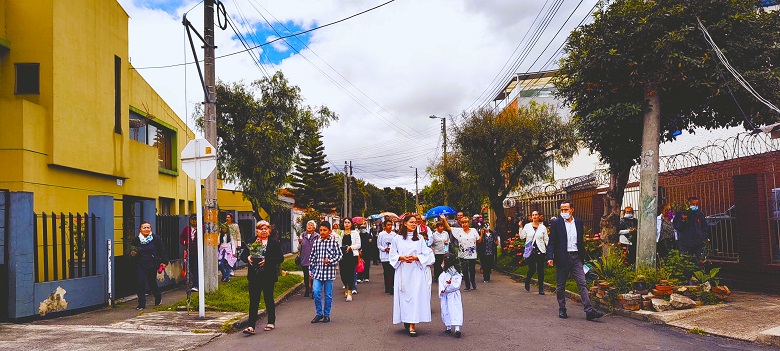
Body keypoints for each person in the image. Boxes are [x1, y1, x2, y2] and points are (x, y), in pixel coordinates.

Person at [547, 200, 604, 321]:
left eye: (566, 209)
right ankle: (562, 309)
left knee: (582, 283)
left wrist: (583, 256)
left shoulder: (578, 222)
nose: (563, 212)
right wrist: (550, 257)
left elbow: (580, 240)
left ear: (572, 210)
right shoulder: (556, 223)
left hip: (576, 257)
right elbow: (551, 242)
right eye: (562, 210)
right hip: (563, 257)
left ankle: (589, 311)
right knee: (560, 285)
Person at [391, 215, 435, 337]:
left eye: (415, 222)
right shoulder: (397, 239)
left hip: (416, 271)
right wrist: (401, 257)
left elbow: (426, 254)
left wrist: (416, 258)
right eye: (411, 222)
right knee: (405, 296)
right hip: (403, 270)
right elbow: (393, 255)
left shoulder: (420, 238)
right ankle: (406, 318)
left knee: (415, 296)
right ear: (404, 223)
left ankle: (412, 325)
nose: (413, 224)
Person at [240, 220, 284, 334]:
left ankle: (271, 322)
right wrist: (248, 258)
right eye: (261, 229)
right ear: (256, 230)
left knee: (268, 298)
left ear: (269, 230)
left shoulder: (274, 243)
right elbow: (243, 256)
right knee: (254, 300)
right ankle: (251, 326)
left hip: (268, 275)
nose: (263, 231)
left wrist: (267, 261)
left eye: (265, 228)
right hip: (254, 275)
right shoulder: (252, 241)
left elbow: (280, 258)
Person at [309, 221, 343, 323]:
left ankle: (327, 314)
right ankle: (319, 313)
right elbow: (312, 257)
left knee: (328, 295)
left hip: (329, 273)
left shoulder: (334, 243)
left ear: (330, 231)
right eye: (321, 230)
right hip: (318, 273)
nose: (322, 232)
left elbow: (339, 255)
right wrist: (311, 269)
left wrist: (330, 261)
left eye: (325, 230)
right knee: (316, 292)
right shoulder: (316, 242)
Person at [130, 221, 168, 310]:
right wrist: (133, 253)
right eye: (144, 227)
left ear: (151, 229)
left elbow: (162, 250)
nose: (146, 229)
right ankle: (141, 304)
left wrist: (164, 261)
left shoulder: (156, 238)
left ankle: (158, 297)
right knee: (140, 282)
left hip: (152, 263)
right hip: (140, 264)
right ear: (140, 229)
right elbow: (132, 252)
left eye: (148, 227)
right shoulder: (136, 240)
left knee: (152, 282)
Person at [520, 211, 549, 295]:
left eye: (536, 215)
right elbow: (522, 236)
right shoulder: (527, 226)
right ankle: (527, 280)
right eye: (533, 215)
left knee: (540, 270)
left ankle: (541, 288)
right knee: (532, 268)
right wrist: (520, 227)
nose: (534, 216)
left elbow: (546, 239)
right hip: (531, 251)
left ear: (539, 216)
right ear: (531, 217)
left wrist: (549, 249)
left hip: (541, 250)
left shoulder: (542, 227)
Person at [673, 196, 708, 263]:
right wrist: (683, 220)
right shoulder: (681, 213)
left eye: (696, 204)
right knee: (686, 261)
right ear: (688, 204)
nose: (695, 206)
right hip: (685, 243)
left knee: (698, 261)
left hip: (698, 243)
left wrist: (702, 236)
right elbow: (677, 226)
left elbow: (704, 226)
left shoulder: (699, 214)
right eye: (693, 204)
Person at [450, 216, 479, 291]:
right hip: (463, 254)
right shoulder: (459, 231)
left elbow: (478, 239)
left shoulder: (473, 230)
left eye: (465, 222)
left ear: (468, 223)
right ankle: (467, 285)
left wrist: (482, 233)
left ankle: (473, 282)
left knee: (472, 269)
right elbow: (449, 228)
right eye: (462, 223)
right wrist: (444, 220)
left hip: (472, 253)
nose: (464, 224)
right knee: (465, 270)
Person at [438, 253, 463, 338]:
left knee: (455, 309)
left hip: (453, 295)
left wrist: (448, 286)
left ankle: (457, 328)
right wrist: (443, 288)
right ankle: (448, 326)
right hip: (446, 295)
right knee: (446, 309)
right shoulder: (443, 273)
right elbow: (440, 281)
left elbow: (456, 285)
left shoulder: (456, 274)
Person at [338, 218, 361, 301]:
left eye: (348, 222)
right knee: (343, 274)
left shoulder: (355, 233)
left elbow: (358, 244)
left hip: (352, 256)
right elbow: (337, 244)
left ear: (351, 224)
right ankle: (346, 288)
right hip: (342, 256)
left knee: (351, 273)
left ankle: (350, 292)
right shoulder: (340, 233)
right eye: (345, 222)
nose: (346, 224)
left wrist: (350, 247)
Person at [179, 214, 199, 292]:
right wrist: (184, 242)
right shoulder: (187, 229)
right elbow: (182, 237)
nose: (194, 221)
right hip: (189, 251)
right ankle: (196, 281)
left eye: (195, 219)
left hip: (198, 252)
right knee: (190, 267)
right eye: (192, 219)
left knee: (196, 267)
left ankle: (196, 285)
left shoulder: (201, 228)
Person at [298, 220, 318, 297]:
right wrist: (300, 242)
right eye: (308, 225)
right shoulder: (302, 235)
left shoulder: (317, 236)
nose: (309, 226)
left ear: (314, 228)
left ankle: (313, 290)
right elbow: (299, 248)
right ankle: (307, 289)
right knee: (306, 275)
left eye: (311, 225)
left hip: (314, 258)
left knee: (313, 275)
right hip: (305, 257)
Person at [378, 220, 397, 293]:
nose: (390, 226)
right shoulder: (381, 234)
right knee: (386, 272)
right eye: (388, 225)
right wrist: (384, 249)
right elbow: (379, 245)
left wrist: (391, 249)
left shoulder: (394, 235)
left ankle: (392, 286)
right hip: (384, 256)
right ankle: (387, 286)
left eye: (391, 225)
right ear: (385, 226)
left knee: (392, 272)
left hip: (392, 256)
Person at [431, 215, 451, 280]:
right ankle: (437, 276)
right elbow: (432, 243)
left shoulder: (446, 233)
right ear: (437, 227)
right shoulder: (434, 235)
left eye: (442, 226)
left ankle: (445, 276)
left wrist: (447, 243)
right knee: (438, 264)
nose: (442, 227)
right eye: (440, 226)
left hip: (445, 250)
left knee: (445, 264)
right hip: (437, 251)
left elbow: (449, 240)